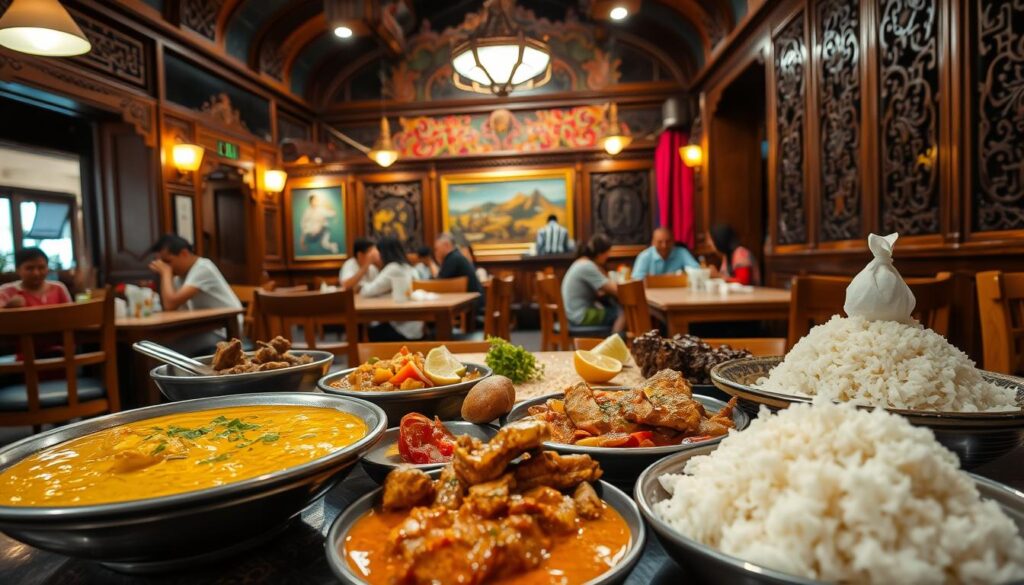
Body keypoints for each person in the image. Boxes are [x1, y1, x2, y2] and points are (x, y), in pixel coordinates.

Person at [148, 234, 242, 316]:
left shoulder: (203, 268)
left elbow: (170, 304)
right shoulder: (179, 276)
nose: (164, 267)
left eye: (167, 261)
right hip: (207, 323)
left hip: (227, 324)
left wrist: (165, 273)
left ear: (184, 253)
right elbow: (173, 309)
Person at [358, 236, 423, 341]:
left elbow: (366, 292)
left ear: (383, 253)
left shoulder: (393, 268)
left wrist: (363, 282)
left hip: (403, 330)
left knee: (371, 328)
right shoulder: (408, 267)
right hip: (415, 327)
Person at [561, 234, 625, 333]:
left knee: (614, 309)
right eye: (607, 254)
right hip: (580, 315)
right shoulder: (587, 266)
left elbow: (600, 291)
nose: (608, 257)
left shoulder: (582, 262)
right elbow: (615, 290)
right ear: (600, 254)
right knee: (623, 313)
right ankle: (614, 342)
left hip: (572, 313)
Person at [0, 247, 72, 309]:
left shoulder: (58, 288)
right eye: (30, 268)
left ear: (48, 268)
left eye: (41, 267)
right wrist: (8, 308)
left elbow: (71, 314)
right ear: (18, 270)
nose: (36, 273)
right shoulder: (6, 291)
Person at [631, 227, 699, 280]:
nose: (664, 246)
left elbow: (697, 270)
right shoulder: (644, 256)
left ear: (673, 241)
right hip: (652, 292)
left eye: (668, 241)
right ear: (653, 242)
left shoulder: (682, 252)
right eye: (660, 242)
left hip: (677, 291)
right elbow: (637, 279)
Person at [434, 233, 484, 297]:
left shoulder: (453, 259)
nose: (436, 253)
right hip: (473, 299)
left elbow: (438, 284)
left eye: (437, 249)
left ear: (446, 245)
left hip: (472, 301)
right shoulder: (456, 256)